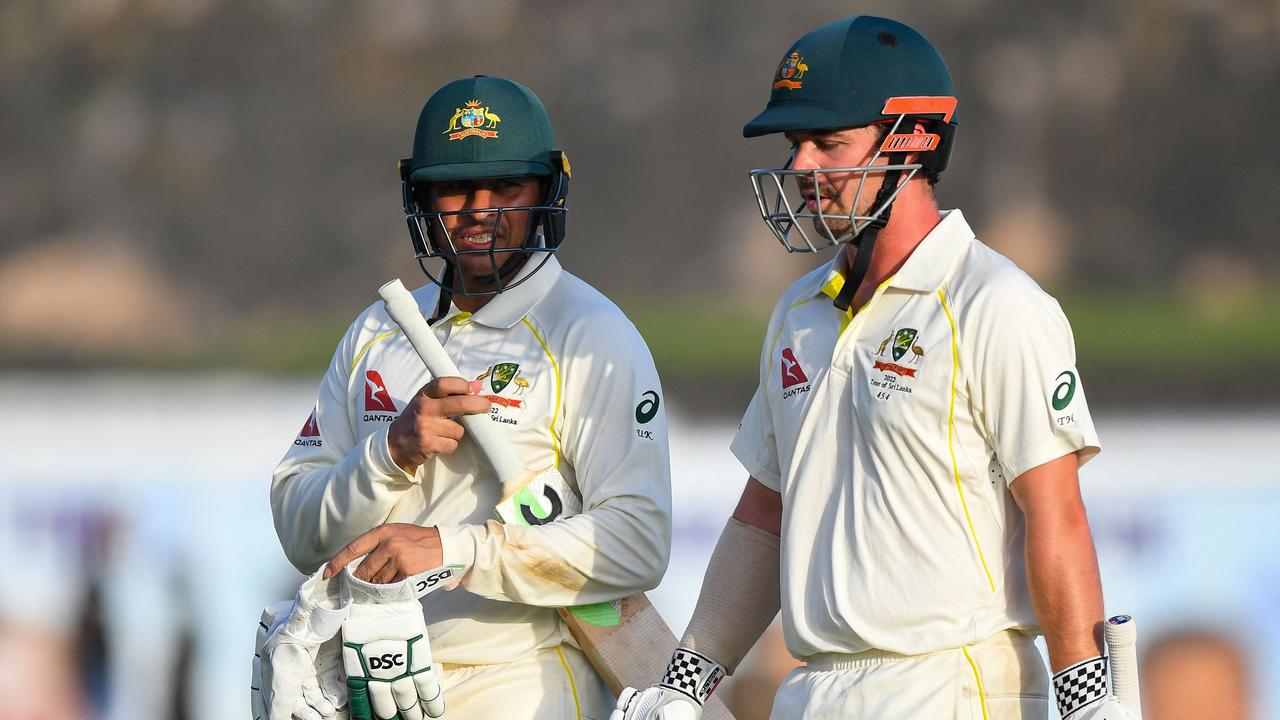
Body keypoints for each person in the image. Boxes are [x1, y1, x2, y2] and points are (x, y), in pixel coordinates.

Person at [613, 16, 1134, 720]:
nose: (801, 167)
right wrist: (685, 680)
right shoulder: (798, 311)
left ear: (911, 142)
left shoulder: (994, 303)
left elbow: (1057, 514)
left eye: (829, 142)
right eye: (796, 143)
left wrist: (1087, 694)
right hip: (815, 687)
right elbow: (764, 517)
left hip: (952, 684)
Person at [271, 74, 672, 720]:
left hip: (524, 686)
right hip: (375, 687)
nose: (479, 209)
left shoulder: (591, 335)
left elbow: (638, 541)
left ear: (547, 190)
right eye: (455, 187)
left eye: (506, 187)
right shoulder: (377, 332)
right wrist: (389, 453)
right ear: (420, 197)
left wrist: (453, 548)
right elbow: (297, 524)